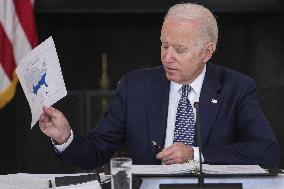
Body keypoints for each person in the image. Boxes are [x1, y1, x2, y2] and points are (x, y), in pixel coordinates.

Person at [39, 3, 279, 169]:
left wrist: (194, 155)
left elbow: (266, 151)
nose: (167, 57)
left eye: (180, 49)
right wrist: (65, 137)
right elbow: (96, 151)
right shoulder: (135, 86)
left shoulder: (235, 88)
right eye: (164, 45)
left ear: (207, 51)